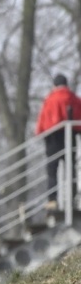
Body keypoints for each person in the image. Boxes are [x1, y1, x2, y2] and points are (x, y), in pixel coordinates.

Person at [35, 73, 81, 210]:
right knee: (70, 169)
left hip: (53, 138)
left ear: (55, 85)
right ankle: (72, 198)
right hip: (70, 137)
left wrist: (40, 133)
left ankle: (52, 200)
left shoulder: (50, 99)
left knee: (52, 170)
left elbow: (43, 120)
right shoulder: (74, 99)